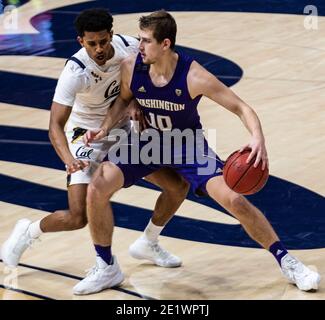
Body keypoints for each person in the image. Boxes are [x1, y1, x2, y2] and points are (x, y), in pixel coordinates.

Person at [73, 10, 321, 295]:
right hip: (147, 143)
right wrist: (105, 128)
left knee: (235, 200)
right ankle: (106, 267)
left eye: (145, 41)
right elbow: (123, 100)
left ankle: (288, 262)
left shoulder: (194, 75)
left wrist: (257, 138)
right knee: (97, 188)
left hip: (187, 145)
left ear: (165, 44)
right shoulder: (132, 66)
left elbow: (242, 108)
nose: (139, 46)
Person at [1, 9, 190, 271]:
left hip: (120, 128)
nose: (99, 48)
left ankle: (149, 242)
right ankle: (28, 232)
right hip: (85, 135)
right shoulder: (75, 71)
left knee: (177, 186)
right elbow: (55, 125)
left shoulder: (131, 47)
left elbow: (146, 77)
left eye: (104, 41)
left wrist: (135, 101)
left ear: (111, 35)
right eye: (92, 43)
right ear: (81, 41)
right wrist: (68, 159)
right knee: (78, 217)